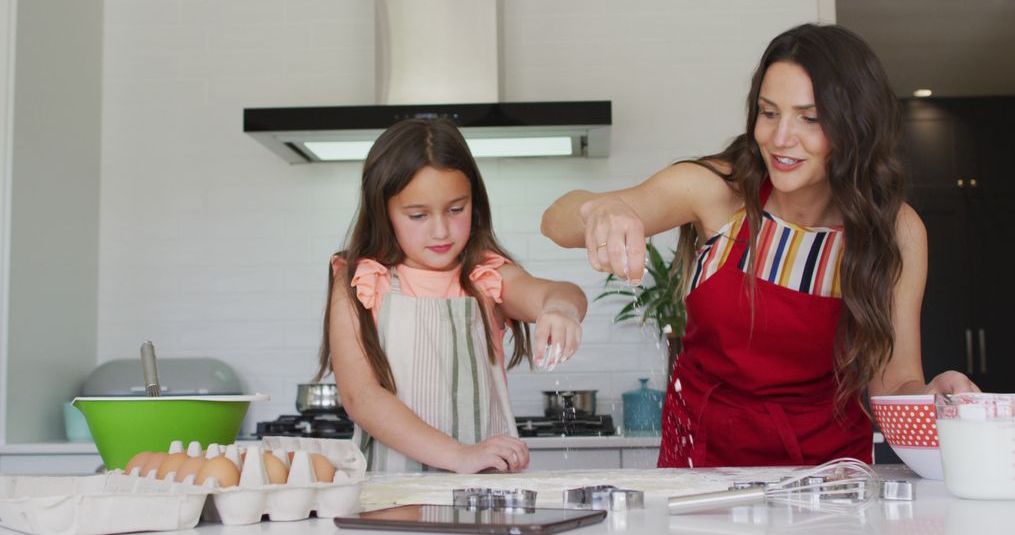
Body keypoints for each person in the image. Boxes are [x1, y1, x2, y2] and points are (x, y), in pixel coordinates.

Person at [541, 24, 979, 467]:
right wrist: (599, 211)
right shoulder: (717, 191)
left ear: (856, 128)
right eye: (769, 113)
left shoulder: (896, 230)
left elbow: (896, 382)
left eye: (809, 118)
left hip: (830, 476)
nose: (780, 138)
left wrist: (932, 394)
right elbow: (555, 221)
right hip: (704, 468)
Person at [316, 117, 587, 473]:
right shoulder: (360, 279)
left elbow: (559, 293)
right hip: (392, 494)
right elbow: (360, 396)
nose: (441, 230)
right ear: (384, 213)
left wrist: (560, 310)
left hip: (485, 494)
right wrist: (459, 454)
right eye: (417, 215)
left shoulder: (484, 276)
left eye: (456, 209)